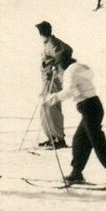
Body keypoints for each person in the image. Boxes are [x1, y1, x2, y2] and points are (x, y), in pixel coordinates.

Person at [43, 49, 106, 188]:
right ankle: (77, 173)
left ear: (62, 63)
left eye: (58, 66)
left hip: (88, 107)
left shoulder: (70, 71)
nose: (58, 68)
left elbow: (68, 91)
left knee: (98, 141)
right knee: (79, 140)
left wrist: (52, 98)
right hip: (93, 105)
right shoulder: (79, 67)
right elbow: (77, 84)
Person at [34, 21, 69, 149]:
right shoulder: (52, 42)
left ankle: (59, 139)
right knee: (46, 108)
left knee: (51, 108)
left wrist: (56, 67)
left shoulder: (51, 44)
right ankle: (52, 138)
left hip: (52, 81)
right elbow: (68, 49)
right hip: (48, 81)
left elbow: (61, 54)